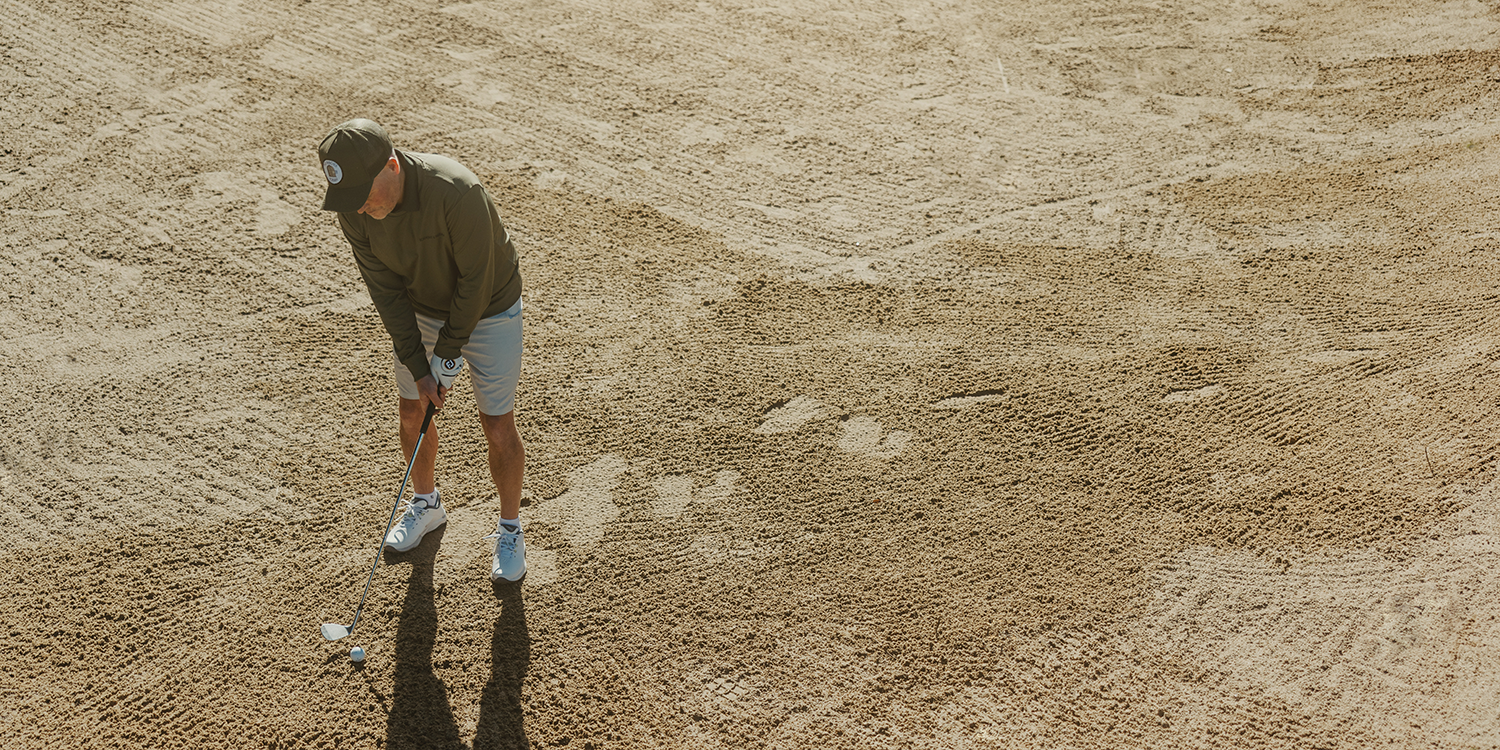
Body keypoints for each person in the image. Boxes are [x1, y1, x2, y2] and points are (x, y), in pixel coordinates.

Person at [317, 118, 526, 582]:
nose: (359, 208)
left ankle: (510, 528)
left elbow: (476, 284)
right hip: (422, 309)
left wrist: (446, 358)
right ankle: (427, 506)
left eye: (364, 194)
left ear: (392, 166)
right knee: (412, 411)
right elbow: (386, 293)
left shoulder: (457, 191)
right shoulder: (354, 209)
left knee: (496, 423)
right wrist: (419, 365)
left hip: (490, 306)